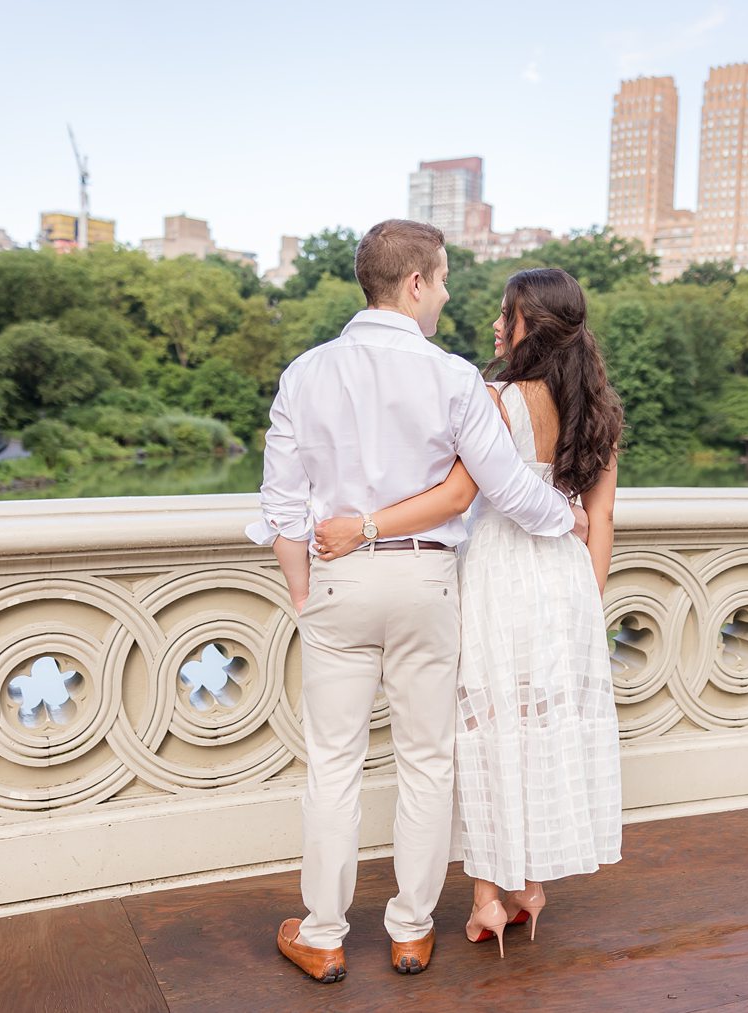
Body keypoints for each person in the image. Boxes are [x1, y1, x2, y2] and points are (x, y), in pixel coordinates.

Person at [246, 221, 585, 984]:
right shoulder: (454, 376)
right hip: (428, 580)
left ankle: (325, 934)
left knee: (332, 765)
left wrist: (304, 589)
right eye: (443, 279)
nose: (450, 293)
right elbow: (506, 486)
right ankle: (410, 931)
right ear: (414, 285)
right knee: (427, 762)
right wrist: (570, 516)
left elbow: (282, 502)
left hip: (338, 579)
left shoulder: (306, 372)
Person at [314, 267, 623, 957]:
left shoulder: (493, 398)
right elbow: (599, 520)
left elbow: (458, 494)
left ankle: (486, 894)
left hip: (497, 574)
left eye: (505, 315)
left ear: (531, 326)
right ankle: (531, 887)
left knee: (482, 731)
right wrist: (585, 602)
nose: (494, 325)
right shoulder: (600, 410)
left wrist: (363, 525)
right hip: (565, 583)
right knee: (542, 729)